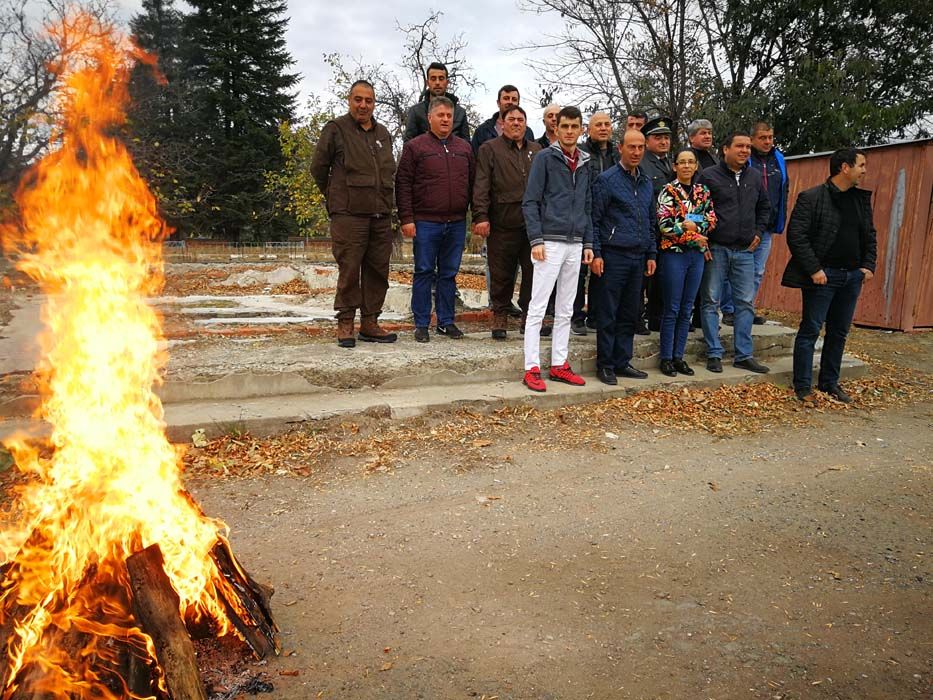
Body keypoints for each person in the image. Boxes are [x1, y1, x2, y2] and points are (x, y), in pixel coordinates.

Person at [782, 148, 876, 403]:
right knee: (810, 330)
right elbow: (797, 236)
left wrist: (868, 266)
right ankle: (802, 386)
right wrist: (815, 269)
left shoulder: (860, 200)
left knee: (839, 332)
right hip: (823, 276)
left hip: (852, 277)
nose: (864, 170)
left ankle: (829, 382)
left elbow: (869, 234)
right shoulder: (812, 197)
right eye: (861, 165)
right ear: (844, 167)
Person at [311, 80, 397, 348]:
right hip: (348, 215)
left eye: (368, 101)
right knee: (349, 269)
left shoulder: (383, 133)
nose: (363, 105)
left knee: (378, 270)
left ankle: (370, 322)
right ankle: (346, 322)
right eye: (358, 99)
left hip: (380, 214)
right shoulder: (335, 129)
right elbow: (318, 168)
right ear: (350, 100)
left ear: (374, 103)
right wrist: (336, 197)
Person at [520, 106, 593, 392]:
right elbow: (530, 201)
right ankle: (532, 367)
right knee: (537, 307)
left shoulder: (586, 162)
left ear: (581, 129)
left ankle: (560, 364)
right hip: (549, 241)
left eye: (575, 126)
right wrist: (536, 239)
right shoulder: (545, 158)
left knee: (566, 308)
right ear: (557, 128)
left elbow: (587, 204)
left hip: (575, 243)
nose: (569, 131)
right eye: (565, 126)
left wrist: (588, 243)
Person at [396, 97, 475, 342]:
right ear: (430, 118)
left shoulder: (464, 148)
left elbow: (473, 184)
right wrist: (407, 218)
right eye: (440, 115)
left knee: (449, 274)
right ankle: (421, 323)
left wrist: (477, 215)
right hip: (426, 222)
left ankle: (446, 321)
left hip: (456, 222)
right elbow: (403, 183)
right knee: (423, 271)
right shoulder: (415, 147)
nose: (445, 120)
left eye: (449, 116)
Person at [696, 132, 771, 374]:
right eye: (739, 146)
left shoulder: (755, 177)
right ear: (725, 149)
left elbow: (764, 207)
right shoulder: (708, 176)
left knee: (745, 303)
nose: (745, 150)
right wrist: (702, 239)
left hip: (745, 251)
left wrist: (759, 232)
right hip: (716, 249)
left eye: (748, 147)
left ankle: (743, 354)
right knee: (710, 302)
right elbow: (696, 209)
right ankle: (714, 353)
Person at [590, 128, 658, 385]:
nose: (637, 152)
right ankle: (605, 364)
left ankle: (622, 361)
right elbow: (595, 220)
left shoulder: (646, 181)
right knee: (608, 312)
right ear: (621, 147)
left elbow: (651, 221)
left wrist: (651, 253)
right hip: (613, 255)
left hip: (638, 257)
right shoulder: (607, 180)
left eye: (641, 147)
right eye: (632, 147)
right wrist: (596, 253)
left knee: (630, 312)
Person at [472, 105, 541, 339]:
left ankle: (529, 318)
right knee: (501, 274)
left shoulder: (537, 150)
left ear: (526, 123)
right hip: (501, 222)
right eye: (511, 119)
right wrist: (481, 216)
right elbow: (481, 184)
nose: (516, 123)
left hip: (532, 225)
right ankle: (499, 316)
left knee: (533, 274)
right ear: (502, 123)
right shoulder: (489, 149)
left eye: (521, 120)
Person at [656, 149, 716, 376]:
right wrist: (694, 232)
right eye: (682, 162)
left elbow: (711, 219)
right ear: (675, 166)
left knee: (687, 307)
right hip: (674, 254)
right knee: (672, 307)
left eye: (691, 162)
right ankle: (666, 357)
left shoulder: (703, 191)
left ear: (696, 166)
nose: (687, 166)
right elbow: (665, 225)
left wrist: (692, 224)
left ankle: (679, 356)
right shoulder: (668, 191)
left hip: (696, 256)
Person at [572, 111, 616, 336]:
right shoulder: (581, 153)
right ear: (588, 129)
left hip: (610, 219)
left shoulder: (616, 154)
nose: (603, 128)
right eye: (598, 124)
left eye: (607, 124)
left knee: (602, 268)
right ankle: (576, 315)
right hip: (584, 214)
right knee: (579, 270)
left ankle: (595, 315)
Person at [748, 120, 789, 323]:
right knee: (738, 268)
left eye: (770, 137)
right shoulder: (746, 158)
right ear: (752, 139)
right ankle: (729, 308)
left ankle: (748, 309)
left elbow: (784, 188)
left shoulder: (778, 159)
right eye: (762, 138)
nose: (767, 142)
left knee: (758, 270)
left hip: (768, 225)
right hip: (747, 224)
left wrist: (781, 218)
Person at [639, 116, 675, 335]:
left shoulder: (670, 163)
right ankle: (637, 318)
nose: (663, 142)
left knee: (660, 279)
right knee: (643, 278)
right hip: (648, 228)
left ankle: (655, 317)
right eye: (658, 138)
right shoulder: (642, 162)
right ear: (647, 140)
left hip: (668, 231)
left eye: (666, 138)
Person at [403, 62, 470, 142]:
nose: (437, 83)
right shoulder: (415, 112)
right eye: (433, 79)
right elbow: (408, 145)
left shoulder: (460, 113)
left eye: (441, 79)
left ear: (447, 82)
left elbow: (466, 146)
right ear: (427, 83)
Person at [472, 85, 534, 154]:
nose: (510, 102)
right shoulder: (483, 131)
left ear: (518, 104)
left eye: (514, 99)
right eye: (506, 98)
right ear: (498, 103)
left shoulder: (527, 132)